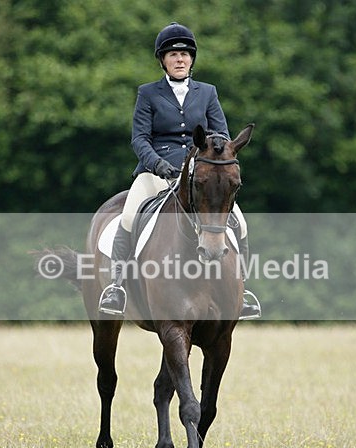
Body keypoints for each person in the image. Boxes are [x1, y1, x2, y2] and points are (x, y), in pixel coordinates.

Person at [98, 22, 261, 319]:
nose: (180, 59)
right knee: (130, 216)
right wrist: (159, 165)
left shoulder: (208, 92)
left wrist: (210, 159)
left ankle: (244, 288)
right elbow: (139, 138)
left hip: (199, 174)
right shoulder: (148, 93)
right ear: (163, 60)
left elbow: (221, 136)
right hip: (156, 173)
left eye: (185, 54)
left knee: (239, 221)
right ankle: (117, 286)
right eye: (173, 54)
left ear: (192, 59)